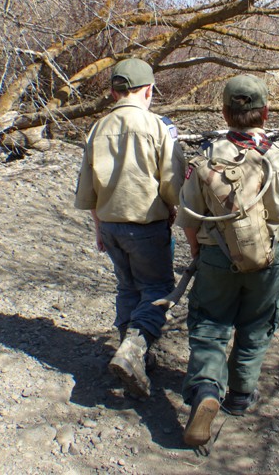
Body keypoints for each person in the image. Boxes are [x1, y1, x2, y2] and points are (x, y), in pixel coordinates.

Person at [176, 74, 279, 447]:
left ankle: (207, 389)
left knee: (210, 324)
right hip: (270, 257)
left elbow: (189, 217)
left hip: (215, 255)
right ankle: (241, 394)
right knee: (257, 323)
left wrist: (198, 251)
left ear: (224, 112)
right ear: (266, 112)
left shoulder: (207, 157)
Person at [74, 57, 185, 400]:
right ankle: (134, 348)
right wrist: (176, 211)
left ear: (113, 92)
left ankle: (132, 349)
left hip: (109, 225)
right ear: (148, 90)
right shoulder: (158, 126)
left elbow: (88, 190)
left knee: (127, 288)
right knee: (157, 289)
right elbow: (173, 183)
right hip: (146, 226)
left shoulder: (97, 128)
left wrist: (98, 229)